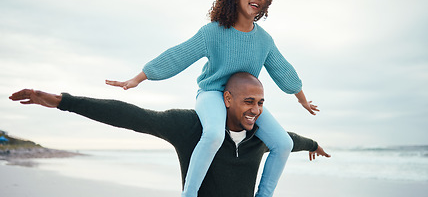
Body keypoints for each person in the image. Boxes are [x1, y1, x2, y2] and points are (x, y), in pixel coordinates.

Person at [106, 0, 319, 197]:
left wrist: (302, 100)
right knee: (214, 135)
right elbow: (178, 56)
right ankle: (189, 194)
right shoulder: (213, 32)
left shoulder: (264, 40)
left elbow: (283, 71)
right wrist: (139, 78)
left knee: (283, 143)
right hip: (212, 93)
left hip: (244, 101)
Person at [10, 72, 330, 197]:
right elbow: (131, 116)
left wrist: (314, 145)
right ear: (227, 100)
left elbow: (294, 141)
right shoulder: (190, 126)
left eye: (261, 103)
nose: (256, 110)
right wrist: (64, 102)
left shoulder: (262, 135)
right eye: (249, 102)